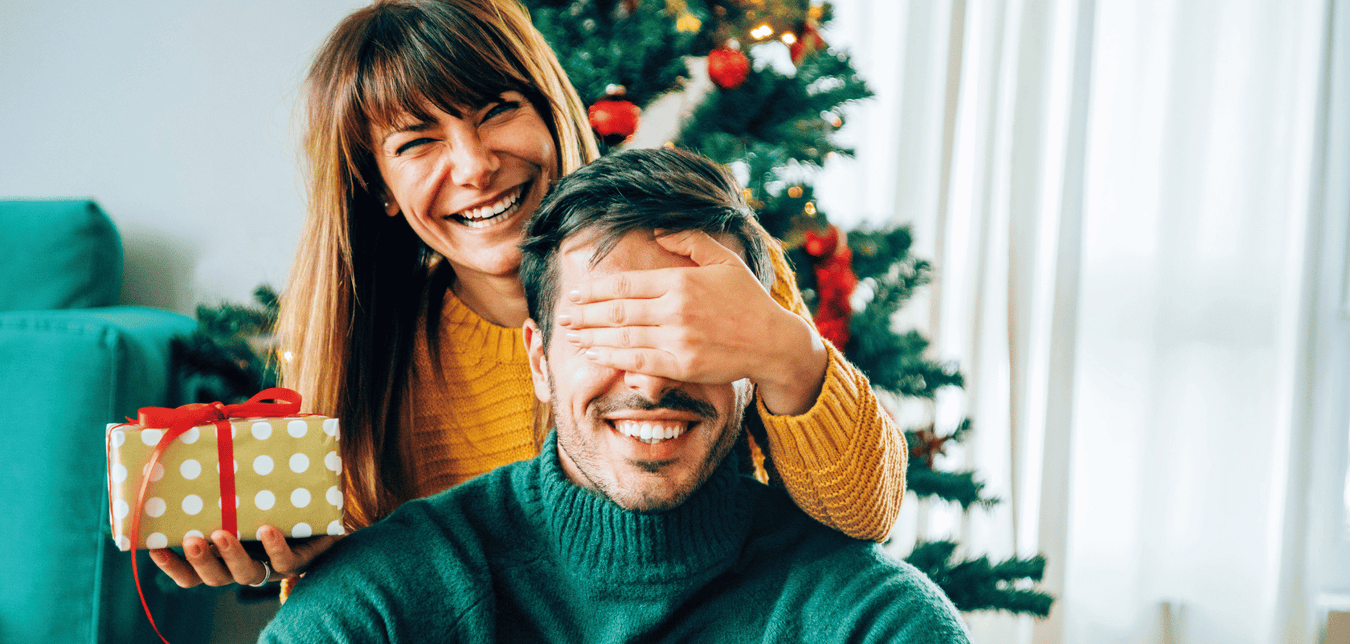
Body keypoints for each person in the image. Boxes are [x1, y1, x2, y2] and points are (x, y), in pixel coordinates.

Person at [150, 0, 906, 591]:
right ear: (378, 188)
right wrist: (291, 563)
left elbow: (863, 512)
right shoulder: (372, 352)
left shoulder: (703, 262)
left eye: (497, 111)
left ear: (551, 112)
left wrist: (782, 349)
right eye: (419, 143)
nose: (475, 165)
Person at [258, 147, 969, 643]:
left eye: (686, 332)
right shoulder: (393, 594)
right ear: (539, 358)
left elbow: (865, 501)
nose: (651, 380)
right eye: (607, 332)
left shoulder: (869, 620)